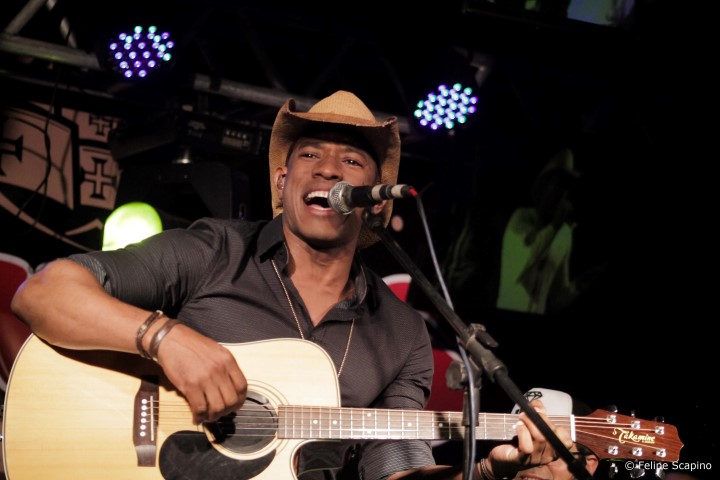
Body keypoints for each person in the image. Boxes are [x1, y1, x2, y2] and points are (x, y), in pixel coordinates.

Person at [11, 90, 573, 479]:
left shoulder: (402, 334)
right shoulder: (215, 251)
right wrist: (165, 338)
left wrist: (490, 471)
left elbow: (396, 474)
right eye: (309, 153)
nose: (327, 169)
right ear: (283, 182)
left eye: (351, 160)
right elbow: (41, 292)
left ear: (377, 203)